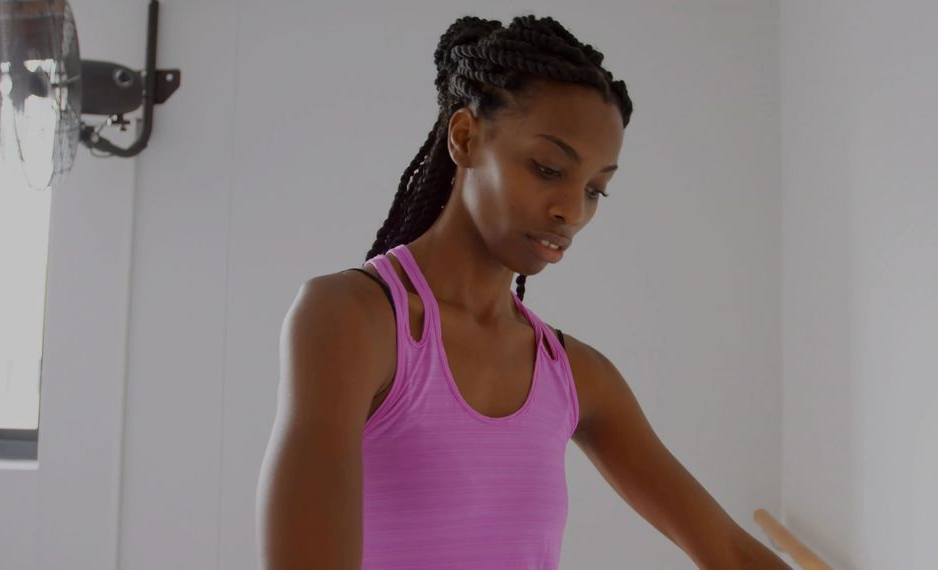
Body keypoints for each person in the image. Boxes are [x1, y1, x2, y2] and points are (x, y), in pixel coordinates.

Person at [257, 14, 790, 570]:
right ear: (465, 137)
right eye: (546, 167)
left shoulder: (576, 375)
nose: (572, 211)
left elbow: (730, 553)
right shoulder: (351, 321)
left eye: (595, 190)